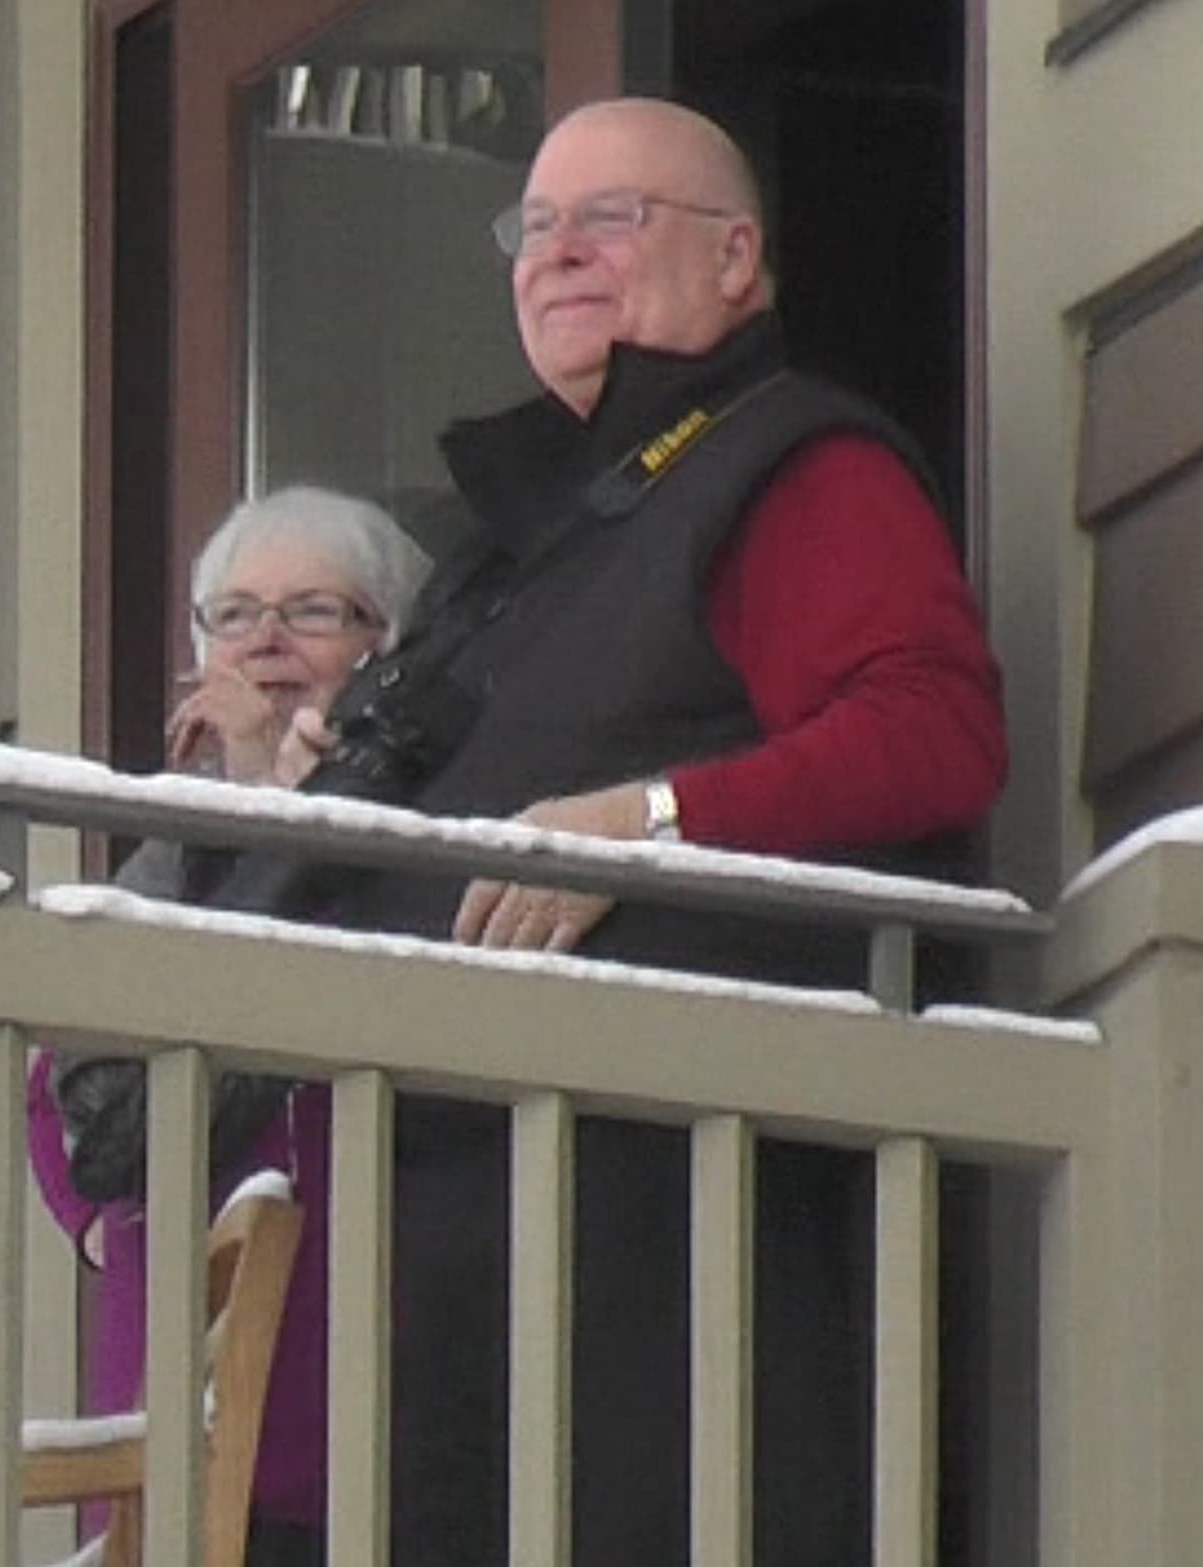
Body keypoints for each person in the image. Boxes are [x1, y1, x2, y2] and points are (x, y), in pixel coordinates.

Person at [199, 98, 1009, 1567]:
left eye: (612, 218)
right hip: (458, 1276)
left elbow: (937, 731)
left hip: (679, 1260)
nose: (558, 253)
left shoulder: (787, 466)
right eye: (535, 227)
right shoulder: (513, 548)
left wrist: (648, 820)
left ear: (736, 259)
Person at [26, 485, 430, 1566]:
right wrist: (102, 1226)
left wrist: (272, 791)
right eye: (234, 614)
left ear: (386, 644)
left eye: (312, 611)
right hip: (169, 1350)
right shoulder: (173, 843)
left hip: (350, 1351)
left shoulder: (416, 826)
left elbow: (331, 975)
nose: (265, 642)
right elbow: (54, 1081)